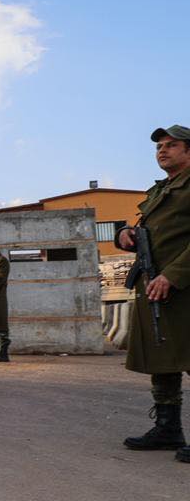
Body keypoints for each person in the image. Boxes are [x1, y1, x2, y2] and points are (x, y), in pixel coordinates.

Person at [115, 125, 190, 463]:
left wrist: (173, 275)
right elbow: (154, 233)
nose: (162, 151)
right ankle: (167, 427)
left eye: (171, 145)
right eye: (159, 146)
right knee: (164, 358)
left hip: (183, 287)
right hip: (156, 286)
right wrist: (126, 234)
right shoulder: (161, 190)